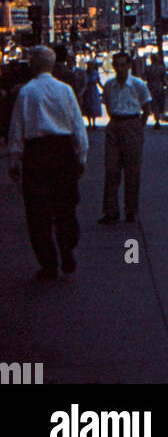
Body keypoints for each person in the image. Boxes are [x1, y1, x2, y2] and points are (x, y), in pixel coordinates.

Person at [7, 45, 88, 280]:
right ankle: (67, 246)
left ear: (35, 64)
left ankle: (48, 262)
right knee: (66, 205)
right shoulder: (65, 90)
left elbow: (17, 128)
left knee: (38, 212)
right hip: (62, 152)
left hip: (36, 154)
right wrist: (80, 157)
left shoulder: (26, 92)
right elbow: (77, 126)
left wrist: (14, 159)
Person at [99, 51, 151, 224]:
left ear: (129, 66)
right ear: (113, 67)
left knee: (132, 171)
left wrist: (138, 127)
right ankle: (111, 211)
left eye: (123, 65)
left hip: (132, 125)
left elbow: (147, 107)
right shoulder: (109, 85)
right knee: (111, 170)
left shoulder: (137, 85)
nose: (120, 69)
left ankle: (131, 210)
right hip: (114, 126)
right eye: (117, 65)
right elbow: (107, 105)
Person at [144, 52, 167, 129]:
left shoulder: (148, 68)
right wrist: (167, 87)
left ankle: (157, 119)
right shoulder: (161, 68)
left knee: (154, 104)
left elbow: (144, 78)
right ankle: (158, 119)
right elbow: (164, 79)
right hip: (159, 86)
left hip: (151, 87)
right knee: (159, 103)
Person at [81, 59, 102, 130]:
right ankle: (89, 123)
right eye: (89, 65)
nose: (90, 66)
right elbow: (84, 83)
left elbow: (98, 81)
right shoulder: (84, 73)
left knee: (94, 107)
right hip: (87, 91)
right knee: (88, 106)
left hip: (94, 91)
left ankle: (94, 123)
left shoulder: (95, 73)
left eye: (91, 65)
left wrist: (103, 88)